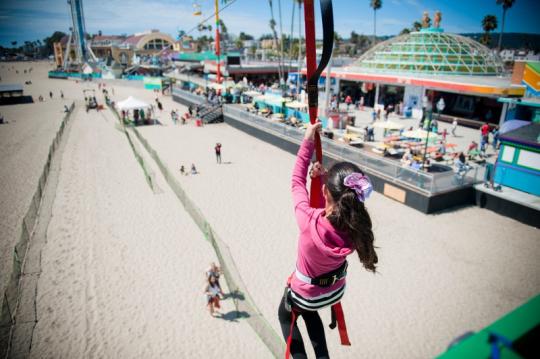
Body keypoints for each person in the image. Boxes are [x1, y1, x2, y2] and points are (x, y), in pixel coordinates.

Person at [278, 122, 378, 359]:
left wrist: (307, 142)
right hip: (333, 292)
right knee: (310, 312)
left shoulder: (307, 221)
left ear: (325, 193)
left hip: (306, 292)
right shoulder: (356, 227)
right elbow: (331, 215)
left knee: (285, 315)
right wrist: (322, 181)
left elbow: (295, 181)